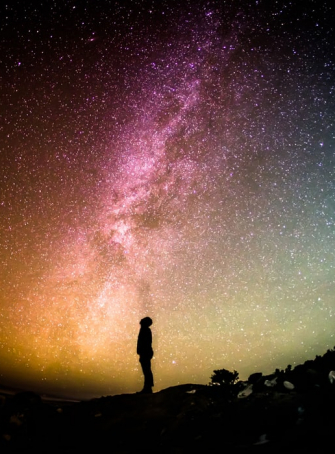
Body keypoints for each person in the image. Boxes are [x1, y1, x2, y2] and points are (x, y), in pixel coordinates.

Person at [137, 317, 154, 393]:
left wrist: (142, 352)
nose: (140, 321)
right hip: (145, 352)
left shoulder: (145, 330)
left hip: (145, 352)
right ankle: (147, 387)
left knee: (146, 370)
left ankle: (148, 388)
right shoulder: (144, 330)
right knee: (146, 370)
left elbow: (146, 343)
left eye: (142, 321)